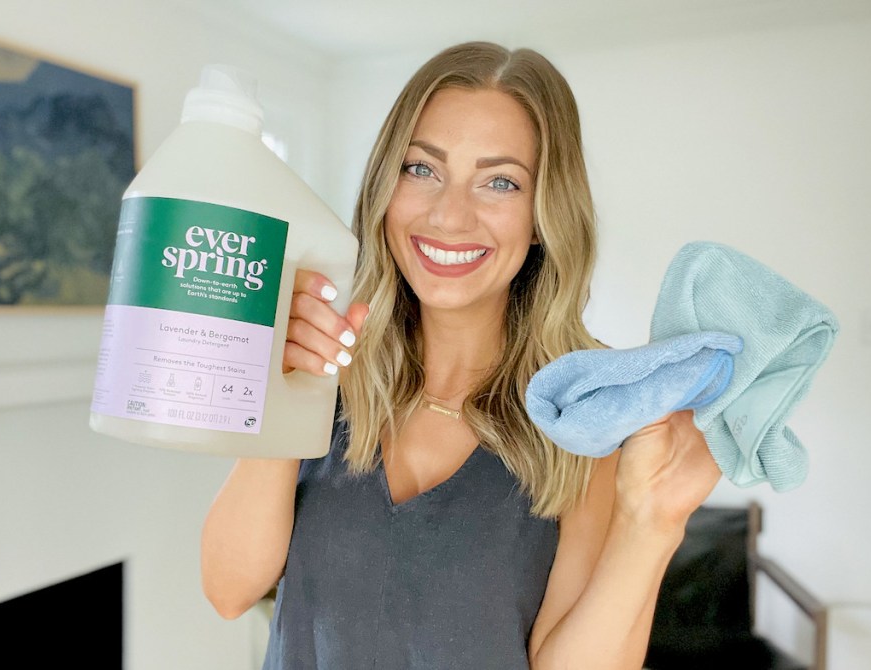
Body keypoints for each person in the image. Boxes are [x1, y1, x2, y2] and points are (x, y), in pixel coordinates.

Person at [201, 41, 721, 669]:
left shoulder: (586, 412)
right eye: (421, 169)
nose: (449, 216)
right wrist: (291, 393)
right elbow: (230, 591)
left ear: (541, 217)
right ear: (383, 188)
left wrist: (654, 523)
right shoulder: (323, 365)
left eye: (500, 182)